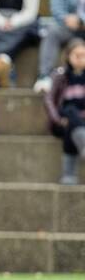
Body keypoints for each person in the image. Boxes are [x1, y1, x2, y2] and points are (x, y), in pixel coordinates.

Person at [35, 0, 85, 93]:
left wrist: (81, 21)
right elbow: (56, 8)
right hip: (67, 26)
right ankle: (45, 76)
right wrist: (66, 18)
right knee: (52, 32)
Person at [44, 38, 85, 184]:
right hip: (61, 121)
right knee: (70, 110)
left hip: (80, 122)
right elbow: (49, 100)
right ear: (68, 56)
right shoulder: (60, 75)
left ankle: (69, 175)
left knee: (73, 124)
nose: (80, 59)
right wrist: (57, 119)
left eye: (83, 55)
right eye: (77, 55)